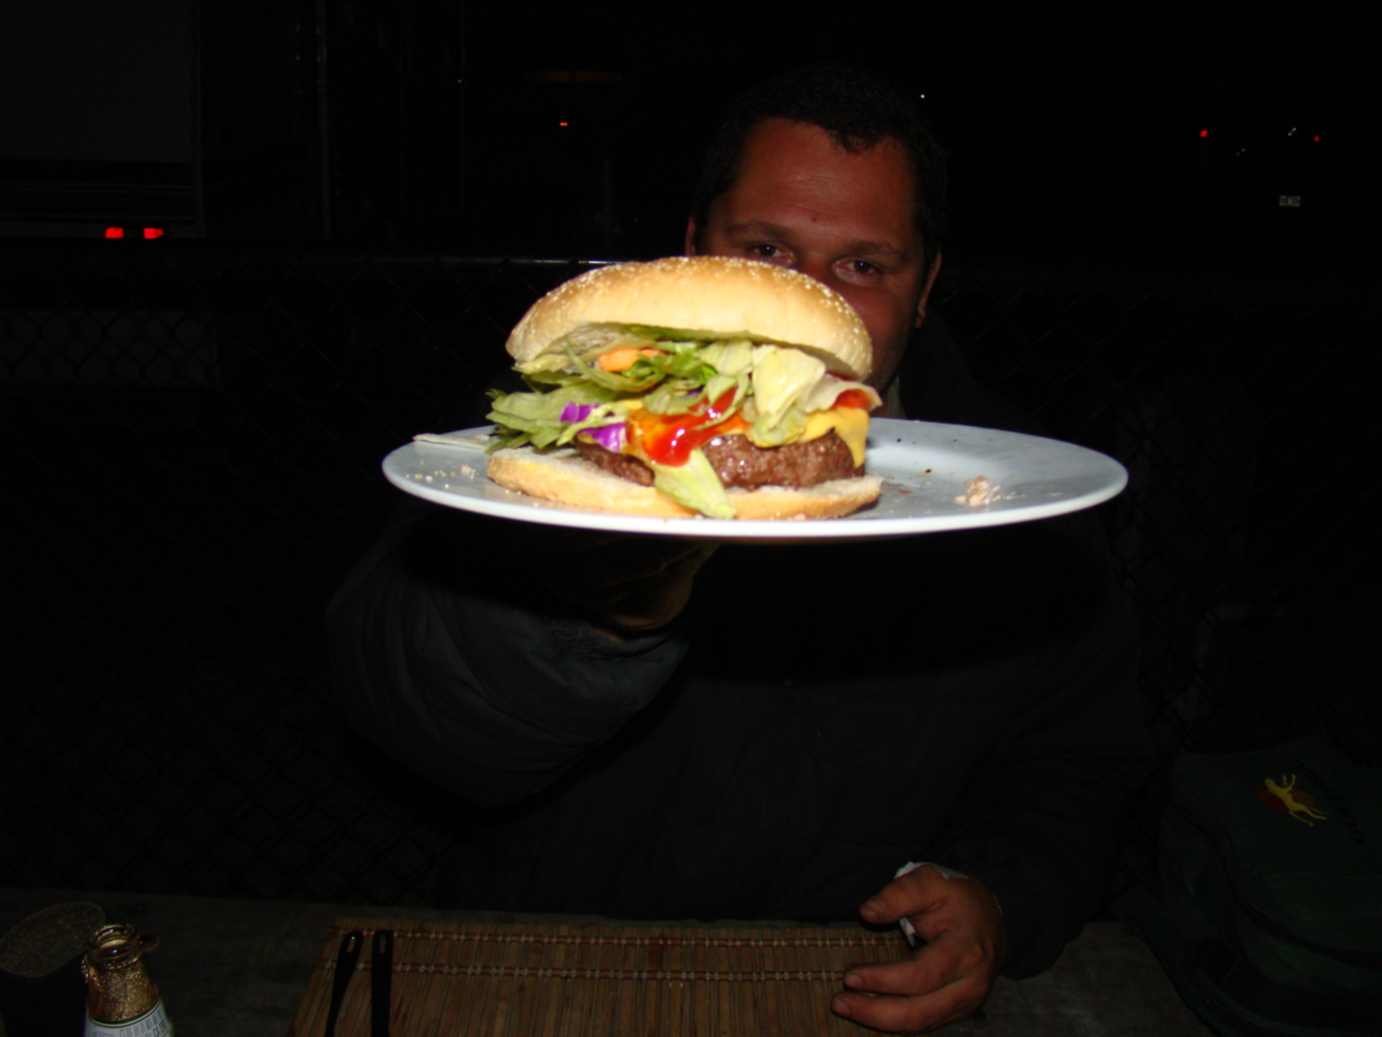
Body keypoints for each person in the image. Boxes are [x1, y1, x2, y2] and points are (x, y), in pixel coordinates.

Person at [326, 64, 1153, 1034]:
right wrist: (594, 611)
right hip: (556, 957)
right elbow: (405, 709)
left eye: (863, 265)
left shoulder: (1015, 501)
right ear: (692, 248)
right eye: (764, 249)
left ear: (925, 288)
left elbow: (1081, 758)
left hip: (848, 972)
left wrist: (1002, 896)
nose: (799, 303)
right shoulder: (549, 463)